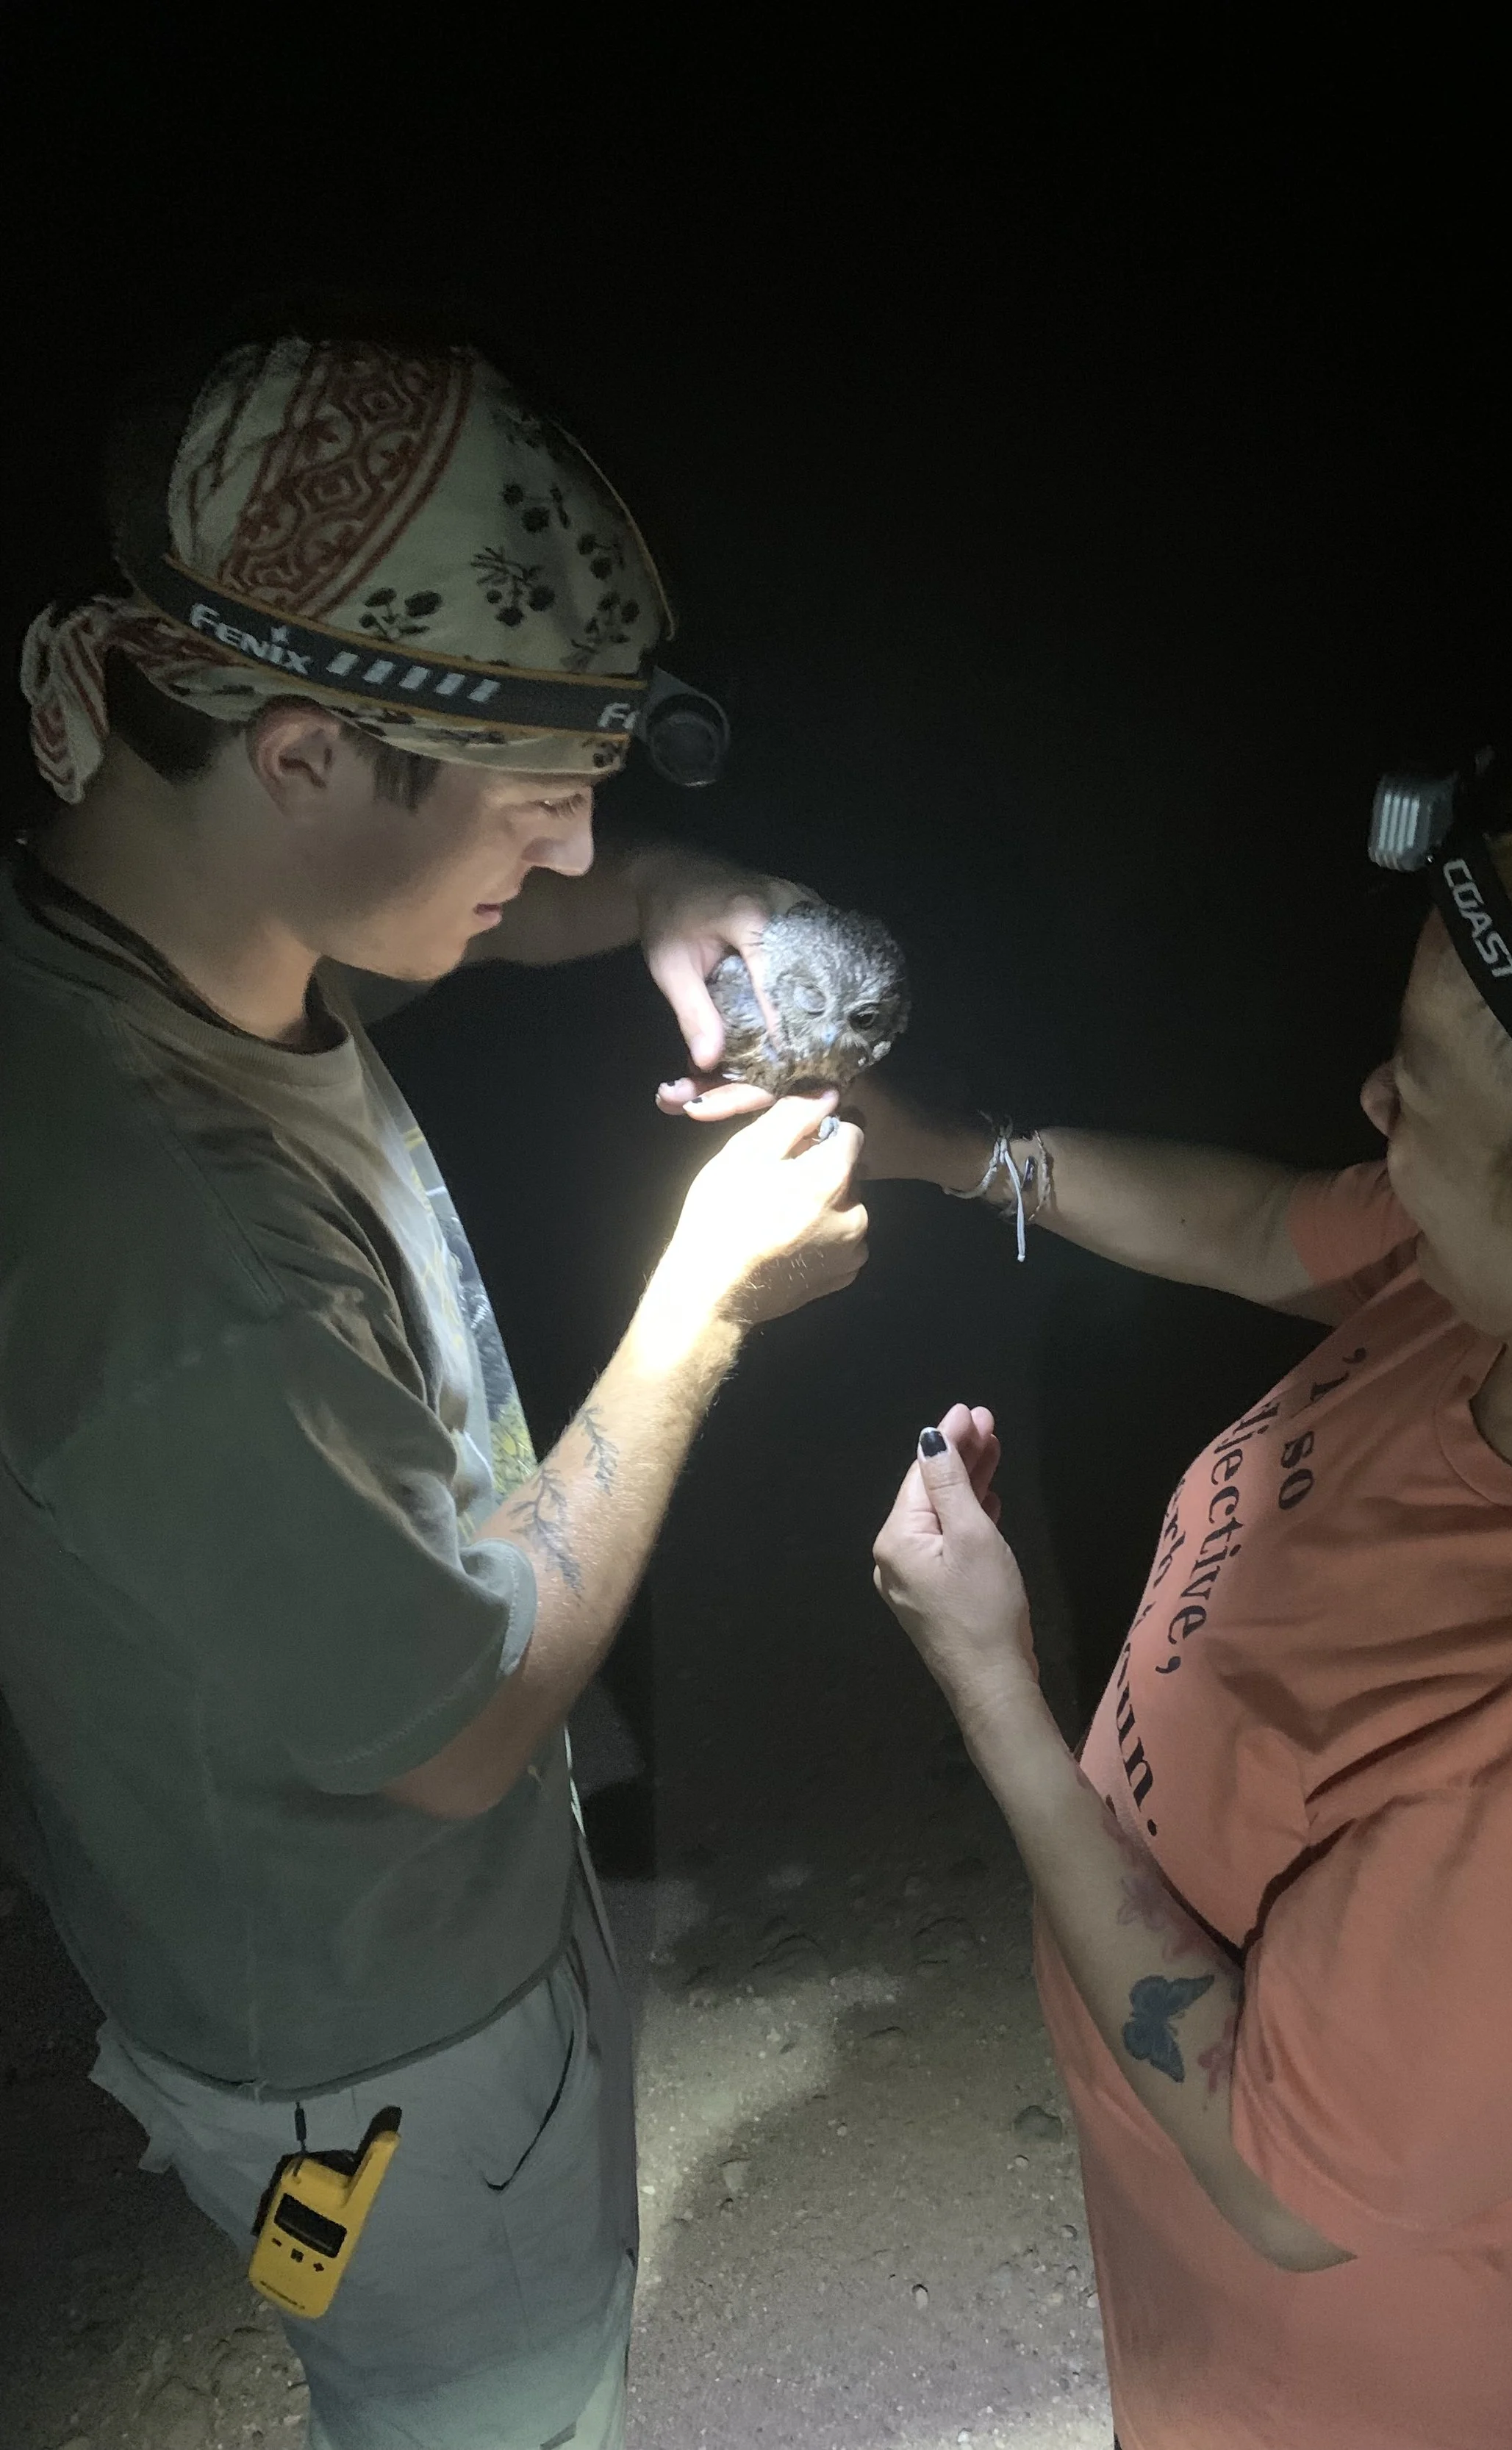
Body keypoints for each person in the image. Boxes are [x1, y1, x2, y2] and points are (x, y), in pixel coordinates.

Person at [0, 329, 865, 2450]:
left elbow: (408, 936)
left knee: (378, 2333)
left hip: (279, 1981)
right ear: (298, 753)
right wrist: (704, 1305)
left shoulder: (143, 937)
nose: (567, 857)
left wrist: (681, 893)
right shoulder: (169, 1247)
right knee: (491, 2398)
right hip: (376, 2033)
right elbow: (470, 1723)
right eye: (537, 802)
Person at [859, 714, 1512, 2449]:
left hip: (1391, 2379)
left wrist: (992, 1689)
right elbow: (1250, 1228)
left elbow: (1280, 2183)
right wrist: (956, 1155)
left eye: (1421, 1081)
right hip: (1208, 2276)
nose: (1371, 1102)